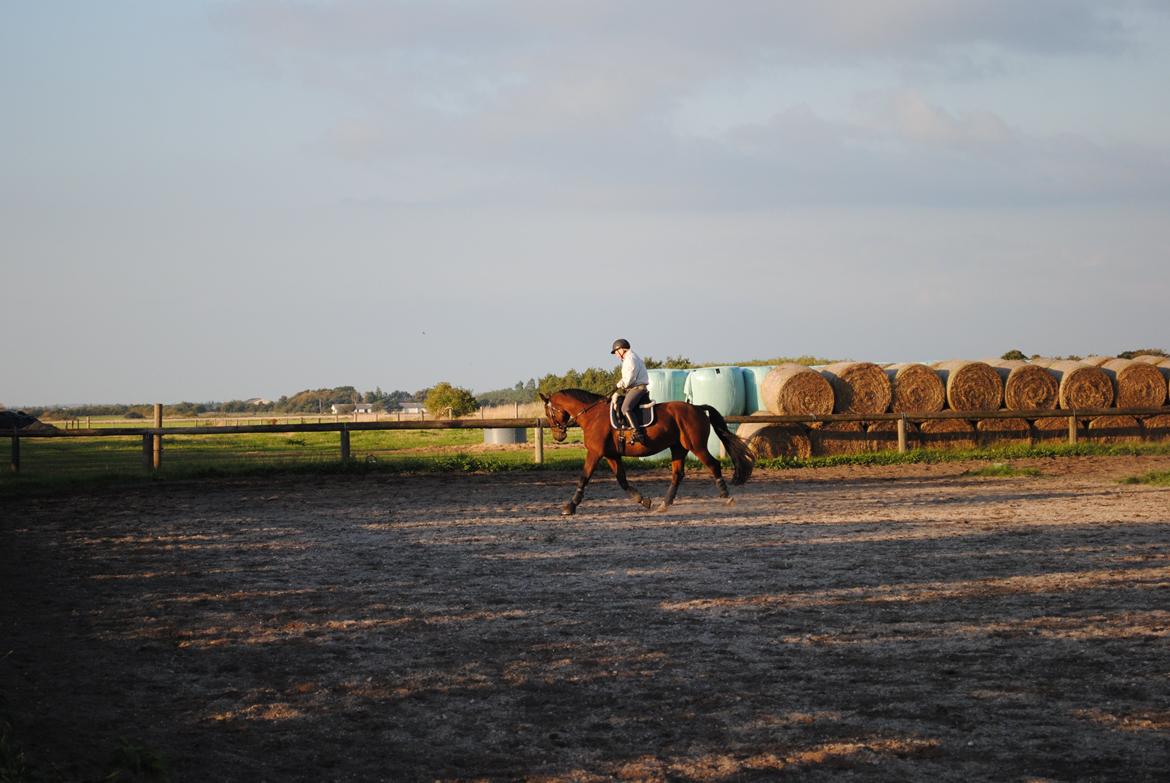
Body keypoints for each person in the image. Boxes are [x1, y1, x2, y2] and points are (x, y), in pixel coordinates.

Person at [610, 338, 650, 444]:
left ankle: (638, 433)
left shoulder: (630, 359)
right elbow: (626, 377)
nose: (616, 355)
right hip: (633, 388)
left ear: (622, 349)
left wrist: (620, 387)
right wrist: (617, 385)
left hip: (637, 388)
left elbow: (629, 380)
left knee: (625, 408)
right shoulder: (629, 358)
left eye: (616, 352)